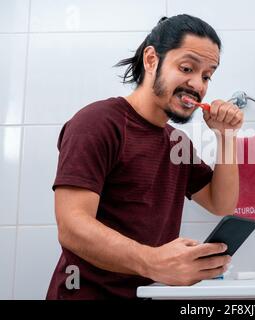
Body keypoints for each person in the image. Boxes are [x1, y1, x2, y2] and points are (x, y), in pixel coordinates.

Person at [46, 14, 244, 299]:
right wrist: (155, 263)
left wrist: (225, 137)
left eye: (207, 75)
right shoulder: (98, 123)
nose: (198, 84)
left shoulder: (178, 143)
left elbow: (221, 203)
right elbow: (72, 226)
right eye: (187, 67)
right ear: (151, 60)